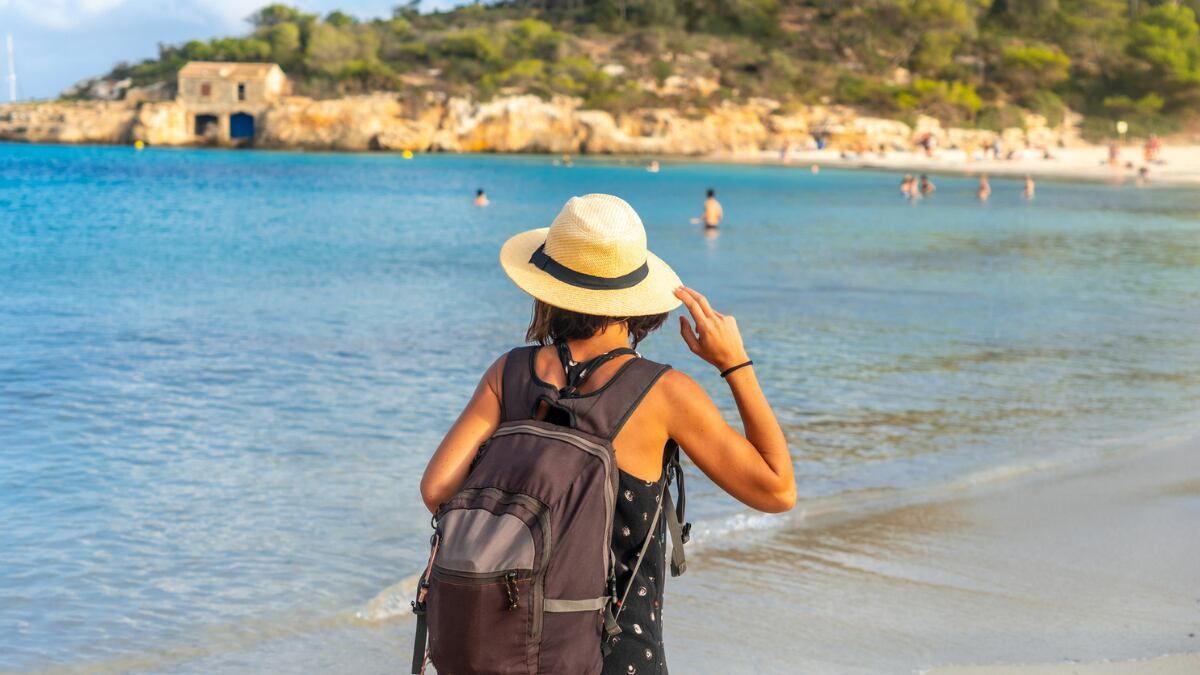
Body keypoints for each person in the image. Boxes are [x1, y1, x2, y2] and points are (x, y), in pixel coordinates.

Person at [419, 194, 796, 674]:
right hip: (614, 657)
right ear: (636, 294)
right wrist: (735, 365)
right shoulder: (662, 392)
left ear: (548, 286)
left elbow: (437, 491)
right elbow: (777, 489)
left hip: (510, 651)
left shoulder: (509, 372)